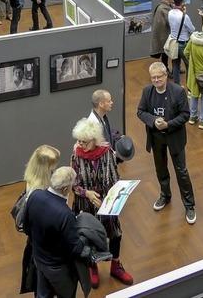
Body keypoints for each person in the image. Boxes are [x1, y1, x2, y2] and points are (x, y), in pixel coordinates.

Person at [70, 118, 134, 288]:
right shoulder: (76, 155)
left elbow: (115, 178)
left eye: (84, 142)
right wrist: (87, 194)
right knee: (89, 237)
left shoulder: (107, 153)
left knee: (115, 234)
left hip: (107, 203)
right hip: (85, 205)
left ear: (95, 140)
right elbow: (73, 185)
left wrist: (111, 197)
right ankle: (93, 266)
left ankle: (115, 265)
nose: (80, 144)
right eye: (79, 141)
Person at [137, 62, 196, 224]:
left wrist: (168, 124)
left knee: (181, 172)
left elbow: (185, 115)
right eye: (153, 77)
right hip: (156, 138)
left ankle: (190, 206)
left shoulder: (178, 92)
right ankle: (165, 195)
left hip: (174, 138)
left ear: (166, 76)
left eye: (159, 77)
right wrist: (154, 121)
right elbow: (140, 111)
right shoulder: (147, 91)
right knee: (161, 170)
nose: (156, 80)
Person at [27, 166, 85, 298]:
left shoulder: (35, 195)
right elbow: (75, 248)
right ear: (65, 189)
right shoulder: (65, 214)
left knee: (42, 294)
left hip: (39, 259)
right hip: (59, 269)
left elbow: (26, 225)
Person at [20, 145, 61, 294]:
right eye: (53, 166)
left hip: (39, 241)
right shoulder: (38, 191)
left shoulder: (33, 177)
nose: (55, 168)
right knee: (44, 283)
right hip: (43, 245)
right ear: (45, 167)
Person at [167, 0, 195, 85]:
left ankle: (177, 85)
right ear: (182, 3)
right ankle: (189, 85)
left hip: (174, 43)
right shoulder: (184, 16)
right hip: (184, 44)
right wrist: (184, 13)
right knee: (188, 65)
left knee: (175, 65)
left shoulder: (170, 12)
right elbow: (192, 29)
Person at [150, 0, 176, 74]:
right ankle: (166, 70)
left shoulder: (165, 6)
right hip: (163, 35)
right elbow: (170, 20)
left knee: (166, 53)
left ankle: (171, 69)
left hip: (164, 34)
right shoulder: (163, 8)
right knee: (165, 53)